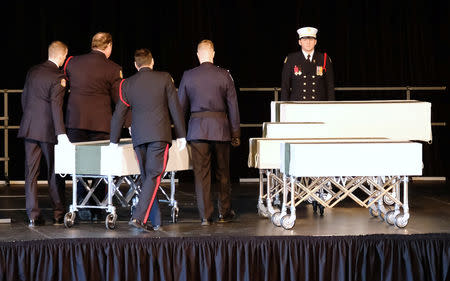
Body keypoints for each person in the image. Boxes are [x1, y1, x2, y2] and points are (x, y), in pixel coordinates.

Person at [110, 48, 186, 231]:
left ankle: (156, 220)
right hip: (159, 135)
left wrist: (113, 140)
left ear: (136, 65)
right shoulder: (164, 78)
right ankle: (139, 218)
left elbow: (119, 114)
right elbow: (175, 108)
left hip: (139, 137)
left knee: (148, 178)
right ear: (152, 63)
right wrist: (182, 134)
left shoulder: (127, 84)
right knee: (153, 176)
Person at [63, 32, 129, 220]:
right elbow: (120, 100)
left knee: (78, 167)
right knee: (103, 167)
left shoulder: (72, 62)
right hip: (101, 125)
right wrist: (130, 123)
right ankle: (99, 207)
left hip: (75, 122)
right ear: (108, 46)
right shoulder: (113, 68)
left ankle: (81, 204)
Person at [178, 39, 240, 226]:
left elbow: (180, 108)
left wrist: (180, 134)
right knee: (223, 173)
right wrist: (235, 132)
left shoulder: (188, 76)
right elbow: (233, 106)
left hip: (197, 130)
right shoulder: (224, 75)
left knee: (201, 175)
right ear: (213, 54)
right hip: (221, 130)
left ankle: (205, 216)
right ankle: (225, 212)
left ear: (198, 55)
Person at [17, 41, 71, 227]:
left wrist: (29, 120)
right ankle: (58, 213)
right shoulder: (59, 76)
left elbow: (24, 97)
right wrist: (62, 134)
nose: (64, 60)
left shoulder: (33, 71)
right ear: (61, 56)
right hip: (49, 131)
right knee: (54, 172)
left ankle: (33, 214)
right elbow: (56, 108)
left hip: (30, 127)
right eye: (65, 57)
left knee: (31, 173)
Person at [281, 27, 335, 101]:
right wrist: (284, 107)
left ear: (315, 42)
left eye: (311, 39)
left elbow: (330, 86)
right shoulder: (291, 59)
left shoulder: (324, 58)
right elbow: (285, 86)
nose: (308, 42)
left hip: (319, 105)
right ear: (299, 42)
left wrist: (331, 106)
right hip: (298, 105)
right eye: (305, 39)